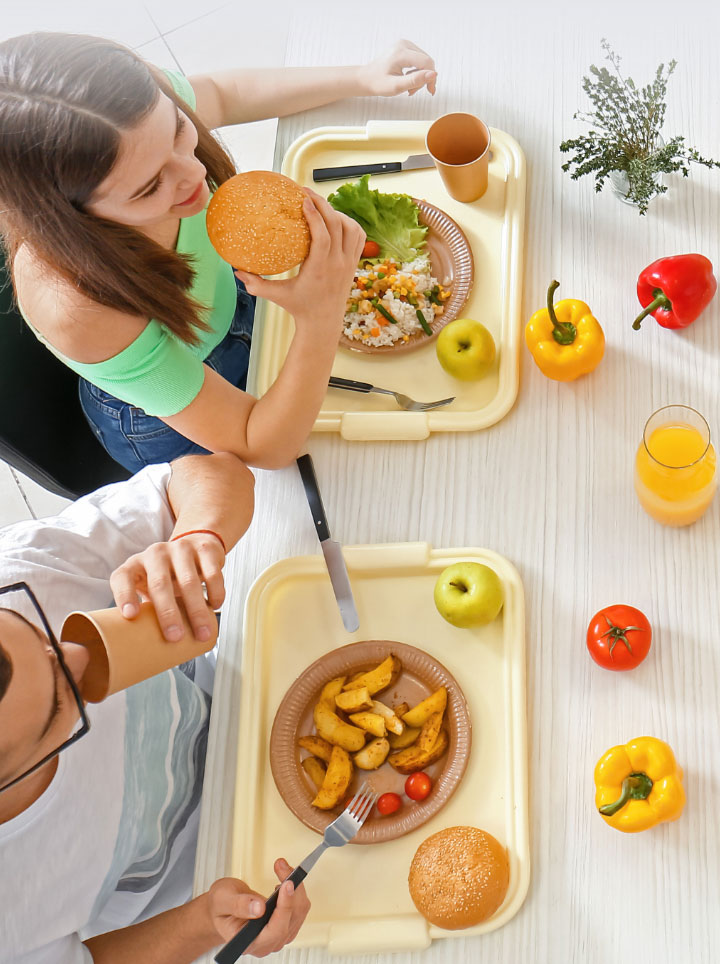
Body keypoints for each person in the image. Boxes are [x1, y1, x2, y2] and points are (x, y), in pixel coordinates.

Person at [0, 33, 439, 473]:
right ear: (68, 217)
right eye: (150, 186)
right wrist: (318, 315)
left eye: (178, 130)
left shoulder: (125, 114)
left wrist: (360, 77)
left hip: (234, 305)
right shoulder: (77, 309)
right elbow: (262, 446)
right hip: (169, 420)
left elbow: (224, 95)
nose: (196, 173)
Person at [0, 454, 310, 962]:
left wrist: (195, 538)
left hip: (249, 689)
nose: (78, 652)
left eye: (39, 633)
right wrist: (204, 923)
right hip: (223, 871)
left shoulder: (18, 570)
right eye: (63, 702)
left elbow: (207, 475)